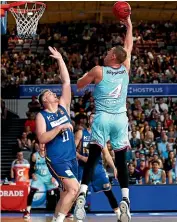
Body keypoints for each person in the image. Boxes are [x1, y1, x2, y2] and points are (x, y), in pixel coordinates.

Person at [74, 16, 133, 222]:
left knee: (93, 158)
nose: (106, 53)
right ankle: (125, 198)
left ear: (114, 58)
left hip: (102, 117)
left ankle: (81, 194)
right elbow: (128, 46)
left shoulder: (98, 70)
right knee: (121, 159)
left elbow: (79, 86)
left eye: (109, 53)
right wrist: (129, 24)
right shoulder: (126, 68)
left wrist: (83, 79)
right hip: (120, 119)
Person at [35, 47, 80, 222]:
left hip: (70, 158)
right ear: (45, 100)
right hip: (56, 158)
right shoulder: (42, 115)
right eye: (49, 93)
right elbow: (42, 138)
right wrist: (59, 128)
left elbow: (66, 82)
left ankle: (56, 218)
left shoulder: (63, 106)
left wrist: (60, 59)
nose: (53, 93)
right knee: (74, 189)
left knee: (66, 194)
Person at [75, 113, 120, 219]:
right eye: (91, 117)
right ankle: (78, 216)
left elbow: (107, 155)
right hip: (83, 167)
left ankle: (119, 215)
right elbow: (72, 150)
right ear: (88, 120)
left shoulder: (101, 136)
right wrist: (82, 158)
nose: (94, 119)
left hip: (97, 167)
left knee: (108, 190)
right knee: (79, 193)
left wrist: (114, 167)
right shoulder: (81, 133)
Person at [23, 144, 58, 219]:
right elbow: (31, 167)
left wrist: (54, 177)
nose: (42, 146)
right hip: (38, 176)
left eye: (44, 144)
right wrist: (32, 174)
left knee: (58, 192)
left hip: (48, 176)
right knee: (31, 192)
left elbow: (54, 166)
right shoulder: (34, 156)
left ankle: (63, 211)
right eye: (41, 144)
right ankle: (27, 211)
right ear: (38, 146)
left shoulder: (49, 155)